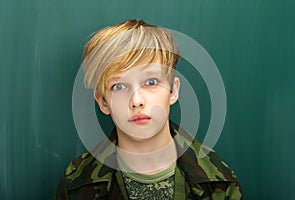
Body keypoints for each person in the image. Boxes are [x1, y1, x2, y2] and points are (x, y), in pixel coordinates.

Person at [55, 19, 243, 200]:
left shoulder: (218, 181)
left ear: (173, 91)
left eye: (151, 82)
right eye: (118, 86)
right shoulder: (78, 182)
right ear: (103, 102)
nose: (136, 101)